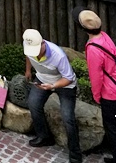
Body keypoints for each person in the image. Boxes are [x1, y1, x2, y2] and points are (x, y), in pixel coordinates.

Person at [75, 9, 116, 163]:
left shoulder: (93, 48)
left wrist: (97, 96)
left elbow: (96, 77)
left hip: (110, 94)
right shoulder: (104, 37)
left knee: (113, 129)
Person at [24, 28, 82, 163]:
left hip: (64, 84)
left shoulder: (58, 55)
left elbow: (69, 78)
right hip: (42, 79)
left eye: (36, 50)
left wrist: (53, 86)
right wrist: (28, 70)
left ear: (43, 43)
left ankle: (75, 154)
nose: (34, 53)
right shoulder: (28, 44)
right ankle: (44, 137)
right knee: (33, 104)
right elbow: (28, 56)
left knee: (67, 117)